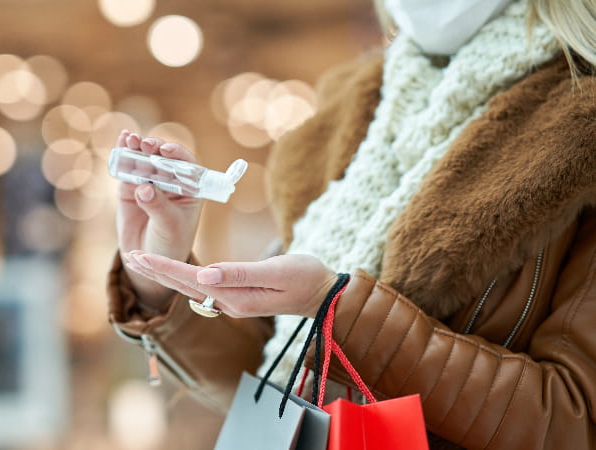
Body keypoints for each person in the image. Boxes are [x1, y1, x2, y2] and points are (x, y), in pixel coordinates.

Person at [107, 0, 596, 448]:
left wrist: (340, 309)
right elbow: (272, 373)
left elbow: (575, 421)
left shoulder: (581, 127)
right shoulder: (348, 122)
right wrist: (162, 270)